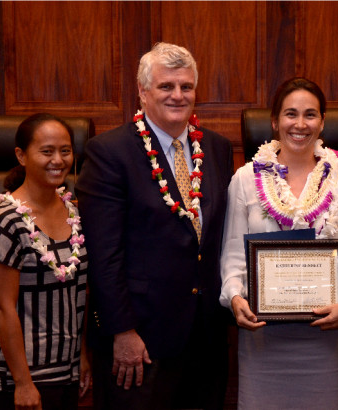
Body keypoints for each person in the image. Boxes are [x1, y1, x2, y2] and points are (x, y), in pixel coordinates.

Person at [75, 42, 234, 409]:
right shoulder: (108, 152)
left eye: (187, 86)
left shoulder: (217, 148)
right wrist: (122, 331)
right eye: (166, 86)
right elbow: (103, 254)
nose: (178, 95)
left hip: (205, 337)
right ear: (143, 92)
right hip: (139, 341)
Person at [219, 77, 338, 409]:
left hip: (324, 336)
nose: (300, 124)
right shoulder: (245, 179)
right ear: (274, 121)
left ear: (323, 122)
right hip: (262, 337)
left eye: (310, 114)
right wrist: (235, 298)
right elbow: (232, 257)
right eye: (290, 114)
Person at [0, 113, 90, 410]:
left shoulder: (74, 214)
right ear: (21, 156)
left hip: (64, 370)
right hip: (15, 378)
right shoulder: (7, 221)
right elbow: (2, 309)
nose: (58, 160)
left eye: (65, 151)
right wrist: (24, 383)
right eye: (47, 151)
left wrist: (82, 357)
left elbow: (76, 295)